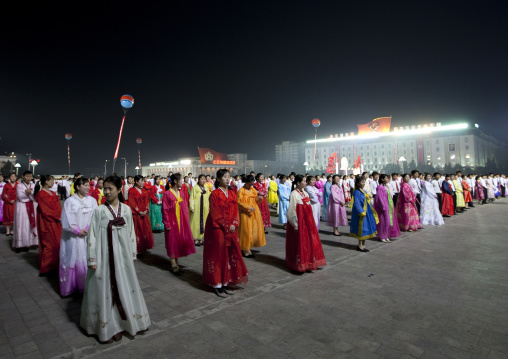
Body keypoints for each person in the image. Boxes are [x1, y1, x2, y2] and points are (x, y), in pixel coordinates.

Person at [80, 175, 150, 343]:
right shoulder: (99, 211)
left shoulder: (126, 210)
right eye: (105, 188)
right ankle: (108, 327)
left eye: (111, 189)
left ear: (119, 190)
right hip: (104, 255)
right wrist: (92, 259)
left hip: (122, 256)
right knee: (105, 289)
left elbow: (131, 232)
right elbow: (93, 236)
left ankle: (127, 322)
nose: (107, 192)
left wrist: (132, 253)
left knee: (124, 286)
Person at [202, 169, 248, 297]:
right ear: (218, 179)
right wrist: (226, 225)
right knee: (218, 255)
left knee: (228, 255)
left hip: (231, 229)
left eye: (229, 176)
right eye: (224, 177)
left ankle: (225, 281)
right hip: (218, 229)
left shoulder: (232, 193)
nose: (228, 179)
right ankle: (217, 284)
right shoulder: (215, 194)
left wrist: (234, 223)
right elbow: (215, 213)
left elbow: (235, 211)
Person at [59, 177, 97, 296]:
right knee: (71, 258)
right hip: (72, 237)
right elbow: (66, 218)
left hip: (87, 235)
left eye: (88, 185)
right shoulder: (69, 201)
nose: (87, 187)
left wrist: (86, 228)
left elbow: (94, 216)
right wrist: (76, 230)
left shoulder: (92, 201)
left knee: (85, 258)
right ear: (77, 187)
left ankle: (85, 287)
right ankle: (69, 288)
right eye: (84, 185)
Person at [286, 175, 326, 272]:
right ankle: (298, 264)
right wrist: (295, 224)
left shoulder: (305, 193)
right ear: (298, 183)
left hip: (307, 222)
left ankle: (307, 262)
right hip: (299, 223)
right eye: (304, 181)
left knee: (307, 242)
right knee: (298, 243)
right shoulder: (294, 194)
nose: (305, 182)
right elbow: (291, 211)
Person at [162, 173, 196, 275]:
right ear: (175, 181)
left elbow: (185, 208)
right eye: (180, 180)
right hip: (172, 222)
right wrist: (167, 223)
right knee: (172, 242)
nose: (182, 181)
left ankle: (177, 263)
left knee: (178, 241)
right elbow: (164, 210)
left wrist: (186, 222)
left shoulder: (182, 194)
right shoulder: (167, 194)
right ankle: (173, 265)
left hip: (181, 222)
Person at [34, 175, 63, 276]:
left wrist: (60, 215)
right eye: (52, 181)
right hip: (47, 222)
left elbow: (58, 206)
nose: (53, 183)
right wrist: (57, 216)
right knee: (49, 244)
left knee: (57, 243)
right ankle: (46, 268)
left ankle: (55, 265)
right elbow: (46, 211)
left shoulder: (52, 193)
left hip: (55, 221)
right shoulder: (41, 194)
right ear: (46, 182)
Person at [237, 175, 266, 258]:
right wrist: (248, 207)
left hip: (254, 211)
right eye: (249, 184)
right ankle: (245, 249)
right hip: (245, 213)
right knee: (245, 230)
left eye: (252, 184)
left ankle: (248, 247)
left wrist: (259, 198)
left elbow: (256, 200)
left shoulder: (253, 190)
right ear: (245, 182)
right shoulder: (241, 191)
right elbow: (239, 202)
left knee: (253, 230)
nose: (250, 185)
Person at [128, 176, 154, 256]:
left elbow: (147, 201)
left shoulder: (144, 191)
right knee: (137, 230)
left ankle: (144, 247)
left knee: (145, 230)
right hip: (136, 215)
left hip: (144, 214)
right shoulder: (131, 191)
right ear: (136, 181)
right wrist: (139, 211)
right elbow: (132, 203)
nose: (143, 182)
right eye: (141, 181)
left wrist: (146, 210)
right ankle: (137, 248)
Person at [12, 171, 38, 252]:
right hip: (22, 207)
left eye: (30, 176)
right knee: (21, 224)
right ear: (23, 177)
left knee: (28, 224)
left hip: (32, 206)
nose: (28, 178)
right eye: (27, 176)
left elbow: (35, 196)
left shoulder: (33, 185)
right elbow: (20, 197)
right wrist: (30, 195)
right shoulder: (19, 185)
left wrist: (29, 193)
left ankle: (27, 243)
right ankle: (19, 244)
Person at [350, 176, 377, 252]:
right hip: (362, 213)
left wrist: (368, 196)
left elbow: (365, 196)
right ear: (358, 183)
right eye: (362, 182)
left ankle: (363, 244)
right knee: (362, 228)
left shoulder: (363, 190)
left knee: (366, 228)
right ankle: (360, 245)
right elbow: (357, 203)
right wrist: (361, 212)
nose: (363, 183)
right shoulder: (356, 192)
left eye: (364, 182)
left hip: (367, 211)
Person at [373, 174, 401, 242]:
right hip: (383, 206)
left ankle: (386, 235)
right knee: (383, 221)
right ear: (382, 179)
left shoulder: (386, 186)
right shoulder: (380, 187)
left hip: (388, 205)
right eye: (386, 178)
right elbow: (379, 198)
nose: (388, 179)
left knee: (388, 222)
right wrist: (383, 206)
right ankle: (382, 236)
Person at [189, 174, 210, 246]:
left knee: (203, 222)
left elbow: (208, 199)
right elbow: (192, 198)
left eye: (204, 179)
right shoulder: (195, 188)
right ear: (198, 180)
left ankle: (200, 238)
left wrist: (209, 207)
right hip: (197, 208)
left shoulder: (206, 189)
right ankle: (195, 239)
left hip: (204, 208)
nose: (203, 180)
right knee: (196, 223)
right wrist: (192, 207)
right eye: (202, 179)